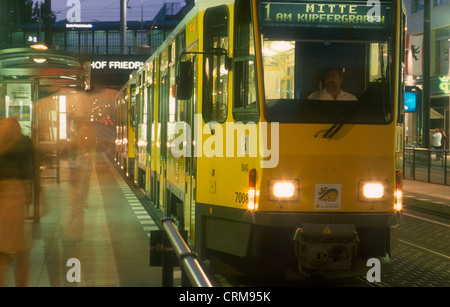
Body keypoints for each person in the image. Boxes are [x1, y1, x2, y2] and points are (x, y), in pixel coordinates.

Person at [0, 117, 34, 287]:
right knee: (18, 251)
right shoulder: (24, 142)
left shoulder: (20, 143)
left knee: (10, 252)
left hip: (11, 197)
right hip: (13, 197)